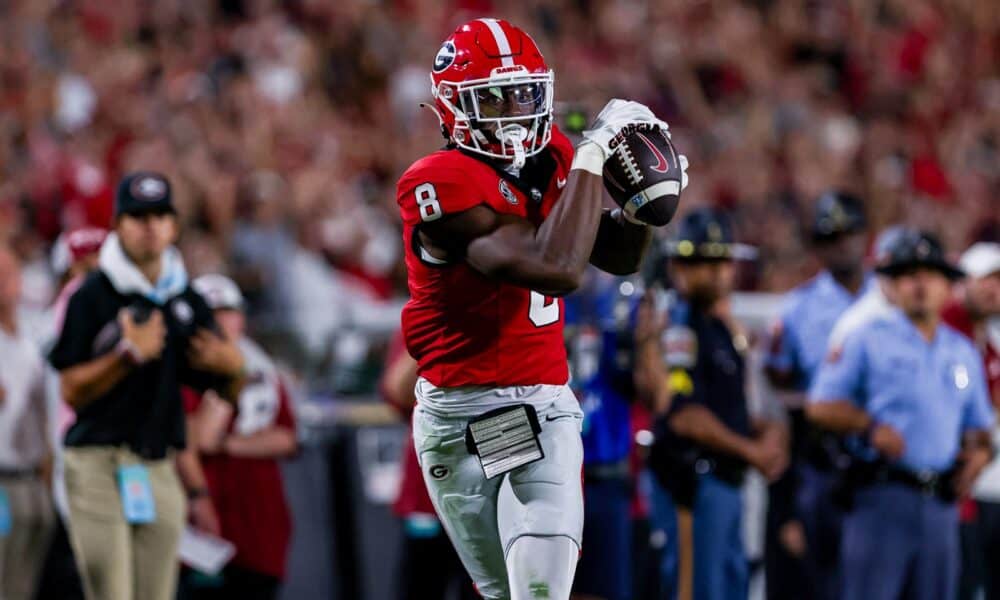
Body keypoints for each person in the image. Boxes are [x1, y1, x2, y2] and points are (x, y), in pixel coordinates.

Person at [398, 18, 687, 600]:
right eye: (495, 98)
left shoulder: (554, 154)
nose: (514, 111)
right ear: (453, 109)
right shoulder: (436, 183)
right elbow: (555, 267)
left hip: (539, 403)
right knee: (503, 592)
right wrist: (592, 154)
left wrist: (639, 208)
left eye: (525, 93)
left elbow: (616, 258)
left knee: (538, 591)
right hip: (455, 420)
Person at [48, 172, 246, 600]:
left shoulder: (185, 298)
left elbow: (222, 388)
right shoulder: (91, 295)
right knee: (112, 592)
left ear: (174, 225)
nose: (150, 225)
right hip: (97, 461)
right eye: (138, 216)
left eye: (159, 215)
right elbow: (70, 389)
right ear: (119, 226)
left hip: (158, 464)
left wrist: (235, 369)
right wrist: (125, 357)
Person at [807, 229, 995, 600]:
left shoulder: (961, 351)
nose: (921, 284)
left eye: (930, 274)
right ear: (892, 284)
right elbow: (821, 406)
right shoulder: (865, 336)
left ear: (947, 285)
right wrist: (869, 426)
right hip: (881, 497)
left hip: (941, 503)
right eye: (910, 274)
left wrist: (980, 455)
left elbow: (980, 426)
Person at [640, 208, 787, 600]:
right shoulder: (680, 326)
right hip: (694, 485)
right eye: (707, 262)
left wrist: (763, 429)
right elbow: (684, 415)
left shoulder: (718, 326)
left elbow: (723, 406)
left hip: (724, 480)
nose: (720, 272)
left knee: (730, 585)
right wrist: (751, 449)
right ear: (681, 267)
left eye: (724, 260)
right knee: (700, 589)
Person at [763, 191, 870, 600]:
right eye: (831, 236)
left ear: (864, 235)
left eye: (848, 233)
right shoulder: (797, 310)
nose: (842, 243)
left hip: (882, 462)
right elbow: (779, 393)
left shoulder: (891, 299)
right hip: (820, 462)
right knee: (817, 582)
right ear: (818, 245)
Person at [182, 274, 297, 600]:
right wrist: (229, 373)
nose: (220, 322)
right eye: (210, 313)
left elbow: (287, 438)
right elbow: (203, 437)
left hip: (260, 519)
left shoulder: (261, 365)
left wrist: (229, 444)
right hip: (211, 517)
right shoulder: (182, 369)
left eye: (227, 311)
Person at [565, 270, 650, 600]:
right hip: (547, 472)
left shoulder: (626, 300)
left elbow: (650, 393)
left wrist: (644, 336)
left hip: (606, 474)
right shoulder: (536, 290)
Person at [381, 332, 479, 600]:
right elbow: (397, 392)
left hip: (488, 488)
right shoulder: (424, 319)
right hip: (430, 492)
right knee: (421, 584)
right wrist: (437, 325)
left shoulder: (506, 318)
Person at [943, 242, 1000, 600]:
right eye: (986, 279)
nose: (994, 289)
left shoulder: (987, 342)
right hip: (947, 488)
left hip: (978, 486)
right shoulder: (947, 330)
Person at [0, 245, 55, 600]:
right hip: (0, 480)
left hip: (34, 478)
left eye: (9, 273)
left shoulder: (34, 336)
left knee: (25, 587)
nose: (5, 283)